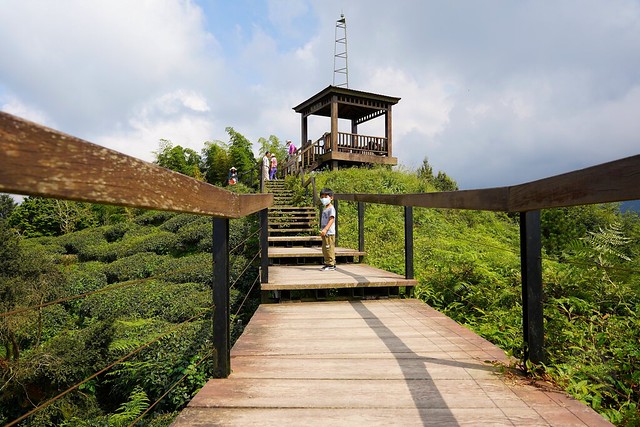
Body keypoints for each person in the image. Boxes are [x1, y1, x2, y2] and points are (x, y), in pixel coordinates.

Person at [319, 188, 336, 271]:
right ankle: (327, 263)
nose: (324, 199)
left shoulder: (331, 208)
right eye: (322, 197)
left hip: (329, 232)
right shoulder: (325, 208)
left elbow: (331, 219)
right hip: (324, 232)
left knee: (329, 248)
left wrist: (325, 229)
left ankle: (331, 264)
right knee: (325, 249)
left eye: (326, 197)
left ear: (331, 198)